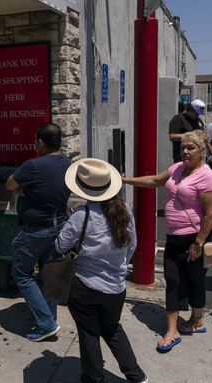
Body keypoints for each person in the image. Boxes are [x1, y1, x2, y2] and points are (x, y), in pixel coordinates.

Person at [123, 131, 212, 353]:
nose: (185, 151)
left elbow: (211, 214)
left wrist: (199, 243)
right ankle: (174, 329)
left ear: (202, 150)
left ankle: (195, 321)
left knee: (195, 280)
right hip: (174, 236)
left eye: (190, 148)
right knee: (173, 280)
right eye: (183, 147)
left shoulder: (207, 176)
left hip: (195, 238)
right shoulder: (177, 169)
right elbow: (154, 180)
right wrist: (124, 180)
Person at [56, 158, 148, 383]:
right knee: (112, 329)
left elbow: (60, 246)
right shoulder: (124, 209)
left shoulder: (81, 215)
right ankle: (136, 375)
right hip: (116, 287)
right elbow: (132, 244)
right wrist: (118, 266)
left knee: (88, 333)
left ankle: (93, 378)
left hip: (85, 286)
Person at [5, 122, 71, 341]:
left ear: (40, 142)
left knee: (22, 274)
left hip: (34, 231)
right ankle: (49, 319)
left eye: (36, 141)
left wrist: (19, 186)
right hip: (58, 227)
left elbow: (8, 184)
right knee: (48, 275)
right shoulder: (67, 164)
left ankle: (45, 324)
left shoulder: (33, 166)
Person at [169, 99, 206, 163]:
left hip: (196, 157)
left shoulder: (198, 120)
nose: (198, 115)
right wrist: (190, 135)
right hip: (183, 157)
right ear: (190, 109)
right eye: (196, 113)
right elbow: (172, 136)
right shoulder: (178, 119)